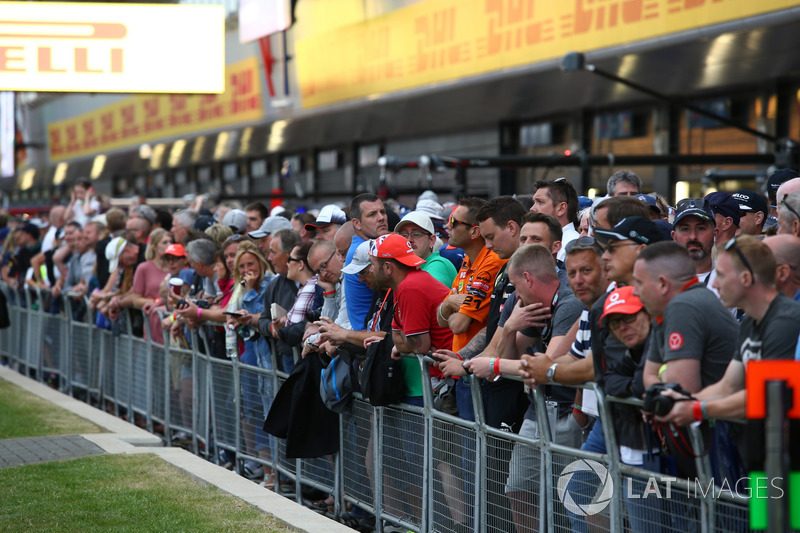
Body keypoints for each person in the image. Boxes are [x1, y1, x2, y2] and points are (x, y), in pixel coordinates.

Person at [368, 232, 453, 525]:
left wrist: (399, 341)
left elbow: (417, 345)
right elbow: (399, 338)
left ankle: (445, 526)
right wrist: (399, 340)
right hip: (438, 380)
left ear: (388, 267)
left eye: (374, 264)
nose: (371, 270)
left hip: (443, 381)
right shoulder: (406, 285)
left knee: (432, 463)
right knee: (426, 463)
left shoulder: (411, 287)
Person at [226, 240, 277, 487]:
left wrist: (252, 293)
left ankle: (279, 473)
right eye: (242, 266)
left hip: (268, 358)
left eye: (251, 264)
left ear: (261, 263)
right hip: (251, 355)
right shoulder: (244, 288)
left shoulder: (269, 284)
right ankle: (268, 470)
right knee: (256, 414)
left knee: (271, 413)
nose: (247, 269)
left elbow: (263, 317)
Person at [119, 229, 172, 344]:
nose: (169, 245)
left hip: (171, 321)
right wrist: (157, 302)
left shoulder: (175, 268)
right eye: (164, 242)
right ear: (154, 246)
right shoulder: (144, 268)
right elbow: (136, 299)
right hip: (152, 322)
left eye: (170, 242)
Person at [395, 210, 456, 287]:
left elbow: (427, 290)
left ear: (432, 240)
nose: (409, 240)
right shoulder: (404, 267)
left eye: (416, 234)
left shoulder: (439, 264)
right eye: (403, 235)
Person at [529, 178, 579, 260]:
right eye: (534, 202)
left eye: (540, 202)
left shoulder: (574, 246)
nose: (532, 209)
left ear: (561, 209)